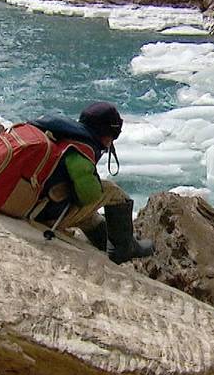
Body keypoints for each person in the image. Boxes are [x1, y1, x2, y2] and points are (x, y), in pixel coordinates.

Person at [30, 101, 153, 264]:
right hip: (44, 215)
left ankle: (106, 243)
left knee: (89, 217)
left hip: (30, 203)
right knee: (114, 192)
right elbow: (89, 196)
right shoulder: (79, 151)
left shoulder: (60, 135)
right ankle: (123, 249)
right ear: (106, 134)